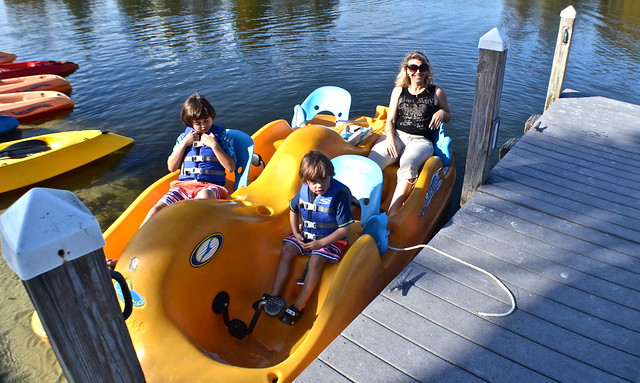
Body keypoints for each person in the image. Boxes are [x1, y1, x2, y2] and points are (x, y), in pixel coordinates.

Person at [260, 150, 354, 325]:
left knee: (316, 261)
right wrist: (296, 232)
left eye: (324, 179)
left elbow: (344, 230)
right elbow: (293, 210)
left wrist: (320, 243)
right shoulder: (303, 192)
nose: (319, 185)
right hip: (307, 235)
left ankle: (299, 305)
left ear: (330, 176)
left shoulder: (338, 196)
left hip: (331, 239)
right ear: (305, 181)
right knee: (287, 249)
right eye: (314, 182)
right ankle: (274, 294)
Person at [368, 51, 451, 216]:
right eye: (413, 67)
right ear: (406, 70)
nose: (418, 72)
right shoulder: (398, 91)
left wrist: (442, 113)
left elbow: (448, 116)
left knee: (408, 163)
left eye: (422, 68)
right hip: (397, 136)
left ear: (427, 70)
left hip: (421, 141)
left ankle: (392, 214)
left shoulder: (436, 92)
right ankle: (363, 204)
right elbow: (390, 120)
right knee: (373, 162)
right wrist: (390, 139)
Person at [143, 93, 236, 224]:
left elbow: (230, 168)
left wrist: (214, 145)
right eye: (198, 123)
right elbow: (172, 168)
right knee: (155, 210)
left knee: (202, 199)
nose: (203, 126)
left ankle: (188, 231)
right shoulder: (183, 138)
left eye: (207, 121)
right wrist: (184, 144)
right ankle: (139, 240)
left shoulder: (222, 138)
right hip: (183, 187)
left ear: (212, 118)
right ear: (190, 123)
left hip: (210, 187)